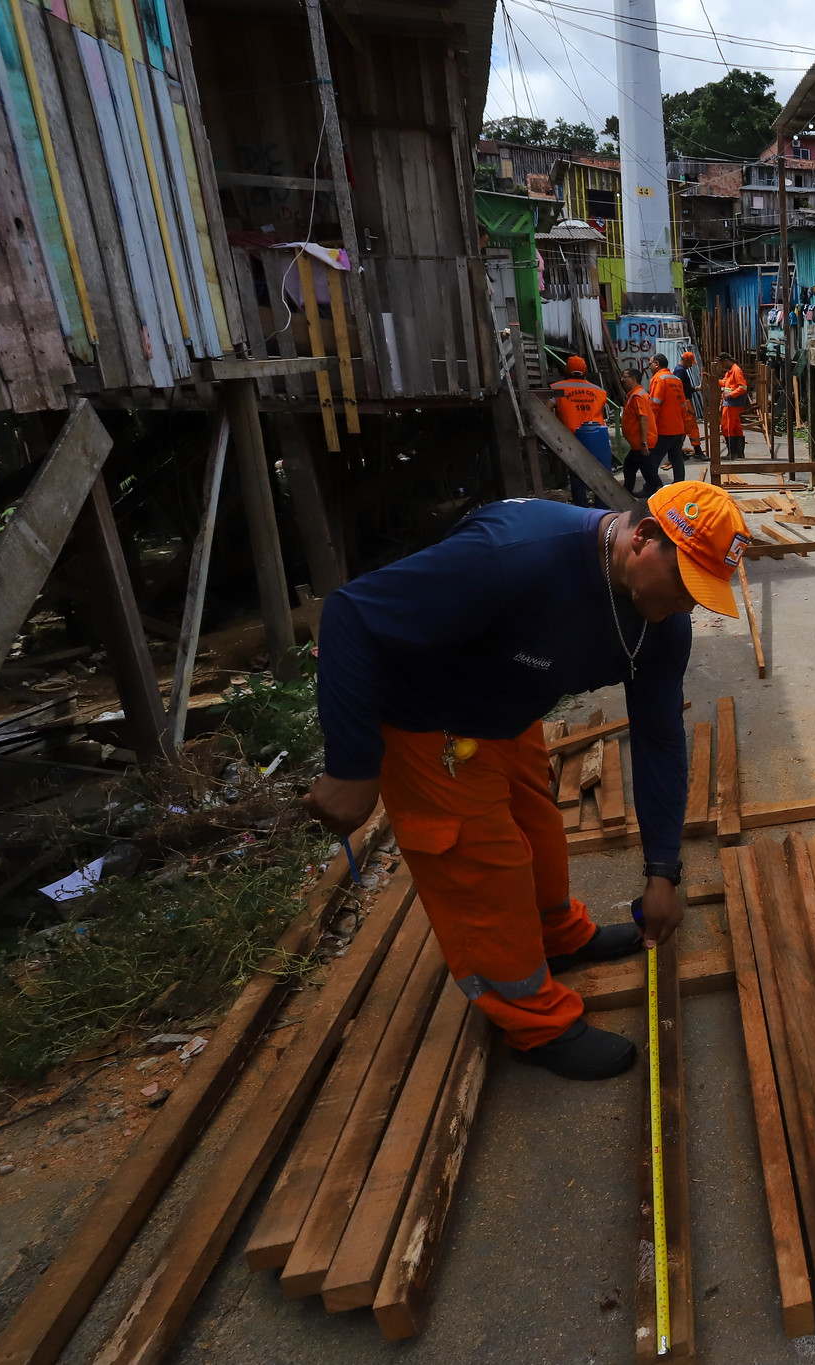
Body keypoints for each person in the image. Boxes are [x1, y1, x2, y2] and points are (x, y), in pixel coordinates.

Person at [301, 484, 752, 1080]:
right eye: (685, 586)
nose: (687, 608)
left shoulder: (660, 622)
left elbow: (660, 739)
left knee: (539, 830)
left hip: (504, 710)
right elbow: (350, 615)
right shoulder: (517, 554)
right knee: (483, 865)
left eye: (702, 595)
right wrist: (353, 766)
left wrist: (662, 870)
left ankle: (557, 934)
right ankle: (535, 1022)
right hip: (427, 717)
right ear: (643, 539)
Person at [550, 355, 611, 507]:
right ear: (585, 371)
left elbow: (545, 410)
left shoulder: (557, 388)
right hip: (597, 438)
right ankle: (601, 509)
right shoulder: (598, 391)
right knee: (600, 475)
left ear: (567, 371)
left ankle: (582, 509)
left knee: (577, 477)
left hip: (571, 440)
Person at [648, 354, 694, 488]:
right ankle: (679, 486)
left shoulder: (658, 379)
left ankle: (651, 487)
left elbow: (654, 406)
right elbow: (683, 405)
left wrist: (650, 428)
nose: (649, 367)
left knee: (653, 461)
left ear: (657, 364)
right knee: (677, 459)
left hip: (664, 428)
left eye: (650, 364)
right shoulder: (676, 379)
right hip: (678, 428)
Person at [618, 364, 655, 495]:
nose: (622, 379)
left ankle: (662, 496)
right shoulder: (635, 394)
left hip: (642, 443)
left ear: (633, 379)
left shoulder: (637, 396)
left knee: (650, 475)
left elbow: (643, 418)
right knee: (629, 467)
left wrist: (644, 442)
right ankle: (626, 494)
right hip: (637, 444)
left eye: (625, 377)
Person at [718, 354, 749, 462]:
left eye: (722, 363)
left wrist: (731, 395)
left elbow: (743, 387)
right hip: (732, 403)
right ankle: (739, 453)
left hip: (732, 403)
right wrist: (712, 380)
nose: (722, 366)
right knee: (735, 427)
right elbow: (725, 383)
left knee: (726, 426)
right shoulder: (730, 371)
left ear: (726, 361)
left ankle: (732, 453)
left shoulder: (736, 370)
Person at [674, 349, 704, 428]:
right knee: (690, 425)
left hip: (685, 400)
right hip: (685, 401)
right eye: (690, 363)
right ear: (686, 360)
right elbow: (680, 387)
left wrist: (696, 388)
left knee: (686, 425)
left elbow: (684, 387)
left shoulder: (680, 370)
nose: (691, 365)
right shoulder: (680, 371)